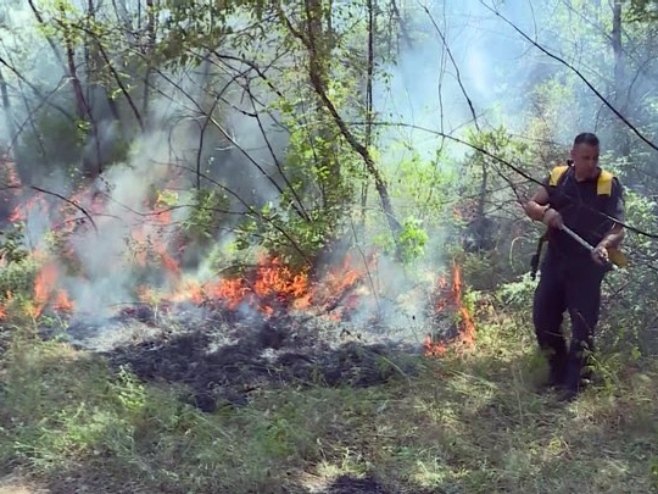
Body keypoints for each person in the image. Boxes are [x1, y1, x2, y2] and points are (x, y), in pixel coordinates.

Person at [524, 132, 625, 401]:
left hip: (587, 267)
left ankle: (575, 385)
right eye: (585, 158)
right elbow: (531, 205)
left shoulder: (608, 185)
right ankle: (557, 375)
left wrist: (604, 245)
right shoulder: (558, 177)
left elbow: (618, 229)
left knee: (583, 327)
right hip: (556, 261)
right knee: (543, 319)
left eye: (595, 158)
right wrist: (546, 213)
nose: (591, 163)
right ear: (573, 155)